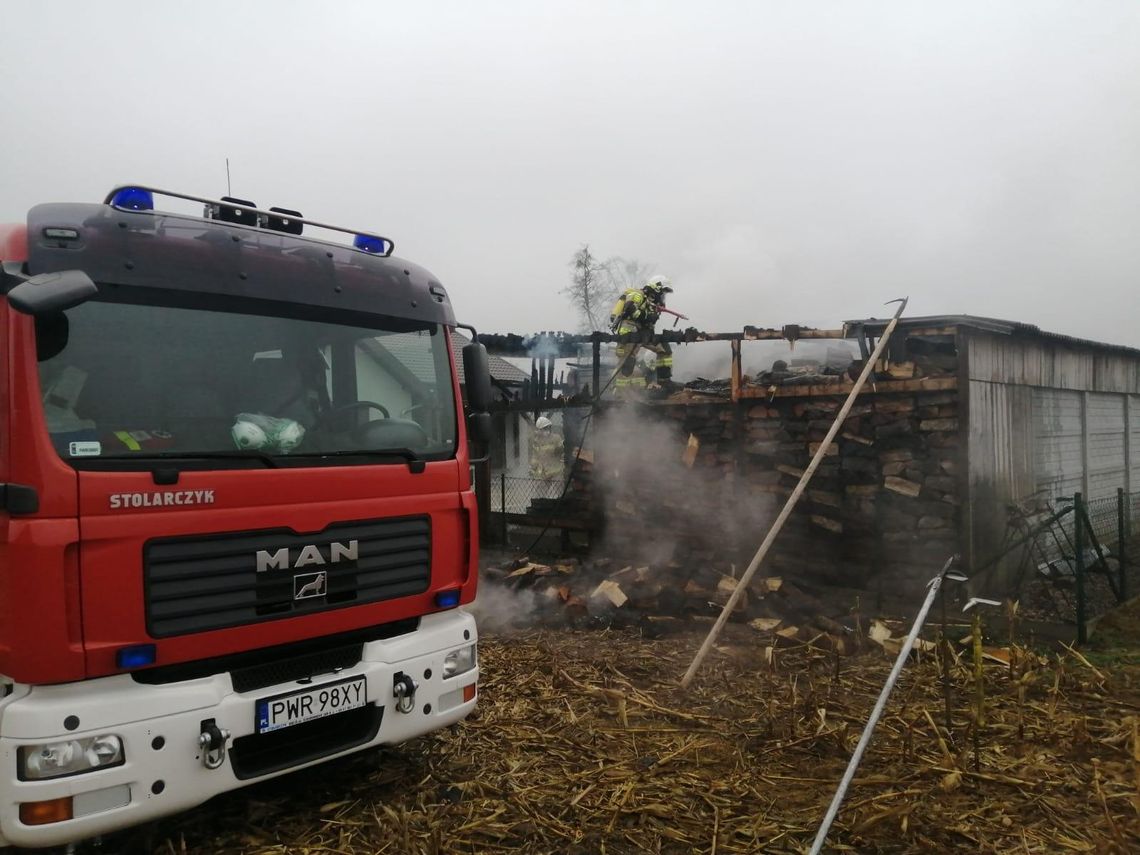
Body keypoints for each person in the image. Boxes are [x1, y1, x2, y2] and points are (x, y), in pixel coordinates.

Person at [609, 275, 676, 393]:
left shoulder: (651, 303)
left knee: (664, 348)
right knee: (627, 364)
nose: (663, 296)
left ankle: (665, 382)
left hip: (642, 335)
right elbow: (629, 308)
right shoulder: (637, 294)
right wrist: (647, 317)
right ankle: (621, 393)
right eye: (663, 293)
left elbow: (648, 322)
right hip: (628, 335)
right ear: (656, 289)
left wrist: (653, 316)